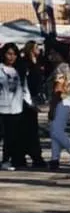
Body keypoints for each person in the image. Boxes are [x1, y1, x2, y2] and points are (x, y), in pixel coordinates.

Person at [46, 46, 70, 172]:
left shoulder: (61, 68)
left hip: (61, 101)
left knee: (56, 131)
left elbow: (58, 88)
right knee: (56, 132)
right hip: (65, 101)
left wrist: (52, 107)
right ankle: (54, 159)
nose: (50, 55)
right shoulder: (64, 67)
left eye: (53, 53)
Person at [0, 42, 28, 170]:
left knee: (10, 137)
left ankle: (6, 160)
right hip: (2, 107)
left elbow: (24, 89)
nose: (11, 57)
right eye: (9, 54)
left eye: (14, 54)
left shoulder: (19, 70)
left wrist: (31, 103)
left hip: (15, 108)